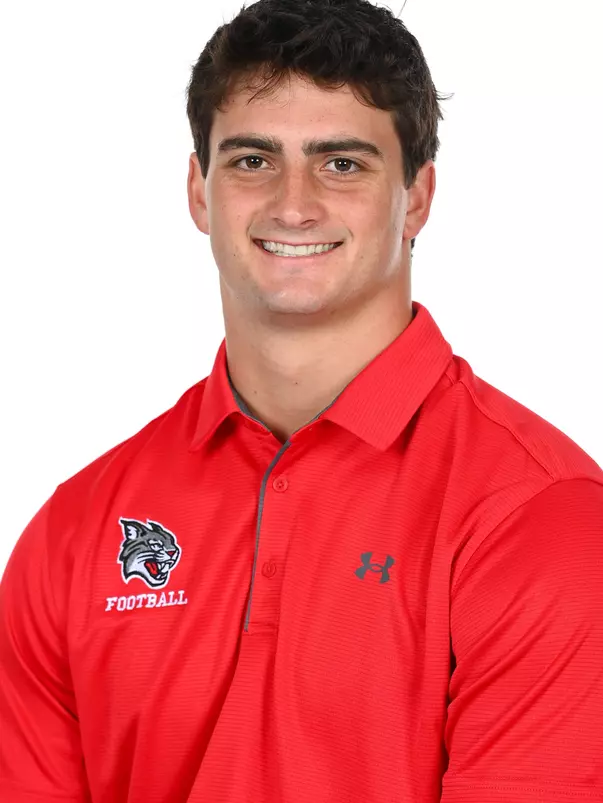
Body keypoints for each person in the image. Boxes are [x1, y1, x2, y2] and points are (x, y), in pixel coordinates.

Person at [1, 0, 602, 800]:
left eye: (341, 164)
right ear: (198, 191)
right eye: (252, 159)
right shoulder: (76, 530)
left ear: (417, 197)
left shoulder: (537, 516)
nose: (292, 203)